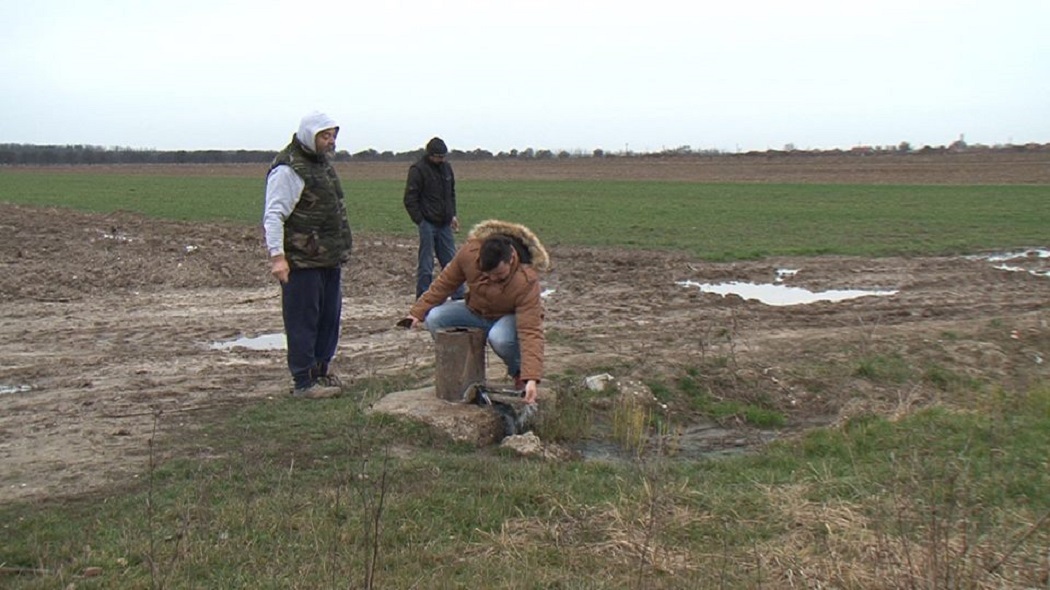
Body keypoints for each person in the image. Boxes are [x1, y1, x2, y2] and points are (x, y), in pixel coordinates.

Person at [401, 219, 550, 404]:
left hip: (506, 318)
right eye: (487, 275)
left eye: (499, 275)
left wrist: (532, 378)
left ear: (511, 258)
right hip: (476, 311)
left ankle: (518, 372)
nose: (493, 279)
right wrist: (417, 312)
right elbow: (445, 283)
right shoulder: (468, 254)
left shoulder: (526, 281)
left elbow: (531, 331)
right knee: (435, 318)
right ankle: (462, 375)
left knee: (500, 338)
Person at [262, 111, 354, 399]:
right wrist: (278, 257)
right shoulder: (289, 169)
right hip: (302, 260)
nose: (330, 142)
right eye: (325, 136)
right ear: (309, 136)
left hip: (329, 258)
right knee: (303, 320)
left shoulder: (322, 165)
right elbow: (274, 215)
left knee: (329, 318)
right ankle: (303, 380)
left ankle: (321, 372)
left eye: (333, 136)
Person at [403, 137, 465, 300]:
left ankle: (459, 297)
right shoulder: (418, 170)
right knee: (426, 264)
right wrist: (421, 221)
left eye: (443, 156)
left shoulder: (447, 169)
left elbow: (450, 194)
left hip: (445, 224)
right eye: (438, 156)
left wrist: (452, 215)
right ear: (430, 155)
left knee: (452, 263)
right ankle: (423, 299)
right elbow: (410, 198)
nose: (441, 159)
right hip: (427, 223)